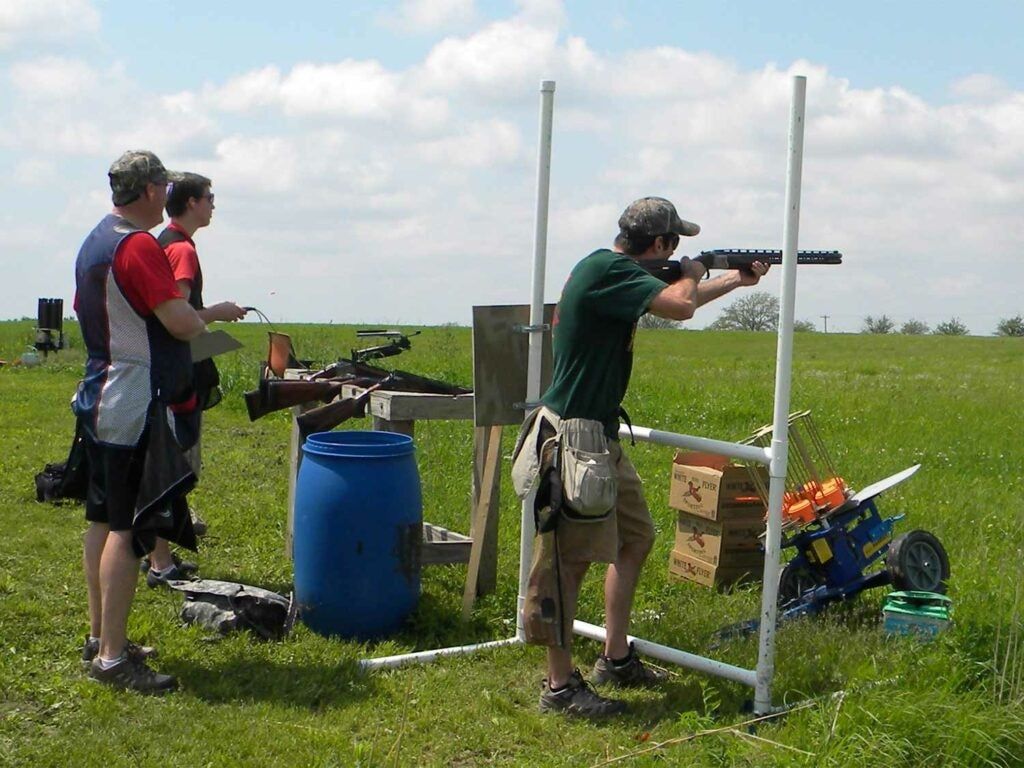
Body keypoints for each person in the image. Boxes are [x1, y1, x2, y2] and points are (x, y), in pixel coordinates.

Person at [525, 196, 769, 718]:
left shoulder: (615, 274)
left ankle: (614, 657)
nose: (679, 252)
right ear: (660, 244)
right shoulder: (609, 271)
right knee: (569, 562)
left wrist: (735, 280)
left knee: (635, 539)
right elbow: (680, 305)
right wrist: (695, 273)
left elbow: (677, 298)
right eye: (674, 244)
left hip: (601, 435)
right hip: (576, 436)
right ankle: (559, 687)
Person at [73, 150, 208, 694]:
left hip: (99, 391)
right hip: (130, 397)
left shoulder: (96, 240)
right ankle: (112, 658)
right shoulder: (137, 246)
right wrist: (203, 318)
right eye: (163, 187)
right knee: (127, 529)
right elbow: (179, 322)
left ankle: (99, 637)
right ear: (151, 191)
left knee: (103, 519)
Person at [142, 173, 246, 587]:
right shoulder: (182, 249)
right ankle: (161, 564)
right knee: (173, 467)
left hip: (162, 370)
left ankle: (156, 554)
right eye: (209, 197)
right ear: (191, 203)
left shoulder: (163, 242)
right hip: (177, 374)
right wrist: (218, 312)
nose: (213, 204)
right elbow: (179, 318)